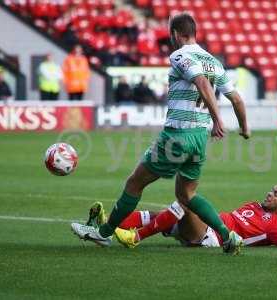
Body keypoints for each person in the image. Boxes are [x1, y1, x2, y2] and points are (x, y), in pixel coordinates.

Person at [71, 13, 250, 255]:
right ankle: (228, 236)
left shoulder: (180, 55)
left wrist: (218, 118)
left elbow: (202, 84)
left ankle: (103, 233)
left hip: (177, 136)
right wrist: (244, 128)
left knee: (135, 183)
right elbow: (236, 98)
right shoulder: (213, 61)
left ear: (176, 34)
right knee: (187, 194)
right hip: (199, 137)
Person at [86, 183, 277, 251]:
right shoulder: (255, 205)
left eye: (276, 194)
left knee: (185, 203)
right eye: (271, 190)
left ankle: (135, 238)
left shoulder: (274, 226)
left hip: (211, 237)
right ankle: (107, 225)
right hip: (207, 225)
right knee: (161, 215)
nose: (269, 193)